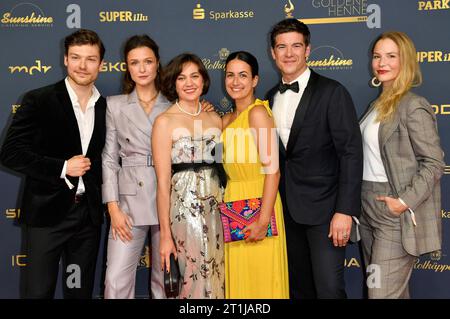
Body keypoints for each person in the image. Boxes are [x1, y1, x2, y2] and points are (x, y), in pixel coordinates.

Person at [0, 29, 106, 298]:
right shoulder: (38, 99)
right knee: (38, 292)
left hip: (87, 219)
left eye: (91, 59)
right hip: (47, 216)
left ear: (101, 64)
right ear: (66, 60)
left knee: (79, 292)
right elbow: (10, 153)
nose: (83, 65)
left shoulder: (106, 106)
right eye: (76, 57)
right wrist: (62, 167)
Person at [266, 18, 363, 299]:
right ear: (273, 53)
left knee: (330, 290)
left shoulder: (332, 92)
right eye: (281, 47)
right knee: (299, 289)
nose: (289, 53)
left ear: (308, 50)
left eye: (296, 46)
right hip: (285, 212)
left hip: (326, 212)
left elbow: (351, 153)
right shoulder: (270, 97)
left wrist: (345, 211)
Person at [359, 31, 444, 299]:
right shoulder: (376, 105)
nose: (381, 62)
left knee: (380, 294)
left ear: (405, 61)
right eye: (377, 56)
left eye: (391, 56)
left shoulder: (413, 106)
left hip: (393, 213)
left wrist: (403, 201)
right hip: (366, 209)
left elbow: (433, 162)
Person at [102, 35, 170, 299]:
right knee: (116, 281)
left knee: (166, 279)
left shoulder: (174, 104)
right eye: (135, 63)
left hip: (169, 195)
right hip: (128, 202)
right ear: (127, 67)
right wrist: (113, 206)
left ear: (157, 64)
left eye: (147, 62)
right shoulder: (114, 105)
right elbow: (109, 158)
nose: (142, 69)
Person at [152, 53, 225, 298]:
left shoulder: (216, 118)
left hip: (218, 207)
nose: (189, 83)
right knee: (193, 276)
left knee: (218, 274)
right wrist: (164, 235)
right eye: (182, 78)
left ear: (204, 81)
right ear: (173, 84)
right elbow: (162, 183)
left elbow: (223, 168)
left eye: (195, 76)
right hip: (184, 210)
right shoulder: (164, 122)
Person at [221, 51, 289, 298]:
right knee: (241, 282)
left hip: (261, 202)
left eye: (243, 75)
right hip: (233, 204)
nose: (235, 81)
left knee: (261, 280)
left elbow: (274, 172)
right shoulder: (226, 119)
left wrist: (262, 220)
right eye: (230, 75)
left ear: (255, 81)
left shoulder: (257, 114)